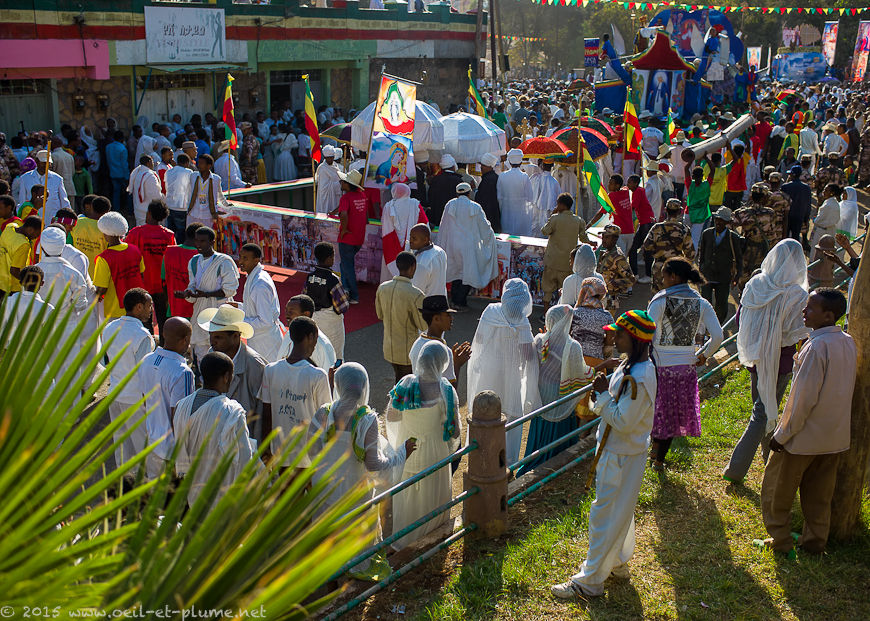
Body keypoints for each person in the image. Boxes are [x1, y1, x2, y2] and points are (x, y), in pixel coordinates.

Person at [550, 310, 657, 599]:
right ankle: (618, 561)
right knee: (620, 509)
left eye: (619, 334)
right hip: (620, 451)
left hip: (621, 453)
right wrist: (608, 382)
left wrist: (603, 396)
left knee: (603, 514)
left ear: (634, 339)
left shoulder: (641, 376)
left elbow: (623, 420)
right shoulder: (630, 366)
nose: (612, 337)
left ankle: (589, 580)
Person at [760, 288, 856, 555]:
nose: (804, 311)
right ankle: (814, 542)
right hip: (834, 437)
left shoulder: (816, 347)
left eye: (811, 308)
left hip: (803, 437)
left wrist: (782, 434)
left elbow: (802, 400)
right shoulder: (847, 341)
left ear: (828, 315)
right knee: (819, 495)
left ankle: (780, 540)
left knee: (777, 490)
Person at [724, 239, 810, 484]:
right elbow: (799, 332)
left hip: (756, 357)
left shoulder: (756, 284)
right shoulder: (797, 295)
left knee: (763, 409)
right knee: (762, 413)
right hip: (781, 361)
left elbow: (742, 319)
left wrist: (761, 340)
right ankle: (736, 469)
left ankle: (768, 459)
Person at [647, 258, 722, 470]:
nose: (662, 281)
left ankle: (654, 448)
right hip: (686, 366)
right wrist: (704, 355)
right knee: (673, 414)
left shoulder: (659, 301)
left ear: (674, 277)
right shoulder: (701, 303)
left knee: (657, 410)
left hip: (659, 366)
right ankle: (659, 458)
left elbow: (648, 333)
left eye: (664, 276)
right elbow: (717, 336)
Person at [386, 340, 461, 550]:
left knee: (408, 495)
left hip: (408, 450)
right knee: (433, 493)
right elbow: (454, 430)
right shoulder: (446, 389)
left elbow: (392, 416)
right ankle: (432, 539)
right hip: (435, 453)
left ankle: (405, 541)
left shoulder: (405, 384)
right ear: (442, 363)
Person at [467, 279, 540, 465]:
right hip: (511, 376)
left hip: (489, 372)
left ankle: (481, 455)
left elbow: (480, 340)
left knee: (485, 410)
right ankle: (506, 461)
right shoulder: (522, 322)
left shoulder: (491, 310)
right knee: (510, 413)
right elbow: (528, 357)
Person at [518, 304, 597, 476]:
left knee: (540, 430)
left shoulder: (540, 339)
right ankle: (557, 465)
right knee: (559, 434)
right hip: (560, 396)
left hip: (541, 396)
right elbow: (582, 374)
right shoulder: (573, 346)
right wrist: (601, 368)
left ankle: (533, 463)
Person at [173, 351, 257, 510]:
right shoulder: (232, 412)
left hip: (192, 491)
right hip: (221, 494)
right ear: (226, 377)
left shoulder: (181, 406)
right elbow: (245, 458)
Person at [259, 316, 332, 470]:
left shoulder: (270, 370)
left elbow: (266, 414)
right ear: (311, 337)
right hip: (310, 456)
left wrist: (266, 450)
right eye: (316, 339)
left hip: (279, 453)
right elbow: (325, 417)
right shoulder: (318, 376)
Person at [102, 288, 154, 470]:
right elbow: (145, 371)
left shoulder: (109, 328)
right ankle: (142, 486)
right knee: (142, 445)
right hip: (135, 398)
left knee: (121, 444)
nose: (151, 310)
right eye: (149, 306)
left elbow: (107, 359)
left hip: (114, 393)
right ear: (139, 307)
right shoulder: (142, 335)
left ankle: (125, 481)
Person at [198, 304, 267, 439]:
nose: (212, 342)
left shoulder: (255, 364)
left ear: (236, 336)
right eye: (211, 336)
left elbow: (261, 410)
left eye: (218, 337)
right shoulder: (212, 354)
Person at [137, 317, 195, 480]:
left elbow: (144, 400)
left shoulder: (146, 360)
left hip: (152, 441)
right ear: (185, 340)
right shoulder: (183, 372)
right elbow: (179, 417)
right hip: (172, 451)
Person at [178, 226, 240, 365]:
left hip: (220, 311)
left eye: (203, 241)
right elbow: (193, 286)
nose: (198, 245)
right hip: (201, 311)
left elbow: (230, 290)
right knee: (201, 352)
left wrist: (206, 295)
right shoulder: (194, 261)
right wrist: (187, 294)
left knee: (223, 350)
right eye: (197, 241)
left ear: (212, 242)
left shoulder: (224, 261)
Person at [437, 183, 499, 310]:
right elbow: (484, 227)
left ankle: (455, 300)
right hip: (469, 246)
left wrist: (441, 243)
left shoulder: (450, 205)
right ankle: (460, 301)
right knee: (468, 273)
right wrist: (491, 236)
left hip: (452, 244)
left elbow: (443, 225)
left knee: (456, 272)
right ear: (470, 193)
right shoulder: (475, 207)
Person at [375, 251, 428, 383]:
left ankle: (395, 401)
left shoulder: (382, 288)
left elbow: (379, 314)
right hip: (407, 350)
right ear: (413, 267)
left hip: (388, 346)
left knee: (399, 379)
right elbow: (423, 325)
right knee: (406, 383)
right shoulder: (416, 294)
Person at [125, 199, 175, 336]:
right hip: (162, 285)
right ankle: (165, 345)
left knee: (144, 320)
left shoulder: (135, 233)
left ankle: (148, 345)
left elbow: (126, 252)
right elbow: (171, 259)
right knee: (163, 319)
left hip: (142, 284)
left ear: (149, 213)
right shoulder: (169, 235)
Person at [408, 294, 470, 388]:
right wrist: (456, 364)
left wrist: (451, 361)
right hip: (436, 401)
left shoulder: (417, 343)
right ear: (436, 319)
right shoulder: (444, 351)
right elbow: (450, 390)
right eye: (447, 315)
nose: (451, 318)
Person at [93, 212, 146, 320]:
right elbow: (141, 275)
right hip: (137, 306)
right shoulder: (135, 250)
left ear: (105, 234)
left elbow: (102, 289)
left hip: (115, 310)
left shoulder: (104, 258)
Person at [540, 193, 589, 308]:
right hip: (568, 264)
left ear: (561, 205)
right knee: (564, 292)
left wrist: (552, 214)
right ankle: (562, 317)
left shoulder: (555, 219)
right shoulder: (578, 220)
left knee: (547, 291)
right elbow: (584, 238)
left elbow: (544, 231)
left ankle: (546, 316)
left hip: (552, 262)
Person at [303, 242, 349, 361]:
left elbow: (304, 297)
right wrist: (346, 297)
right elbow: (341, 307)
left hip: (313, 318)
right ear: (329, 258)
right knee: (335, 354)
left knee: (316, 352)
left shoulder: (309, 277)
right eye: (333, 257)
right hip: (330, 321)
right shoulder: (333, 279)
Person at [236, 243, 282, 362]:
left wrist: (238, 321)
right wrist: (237, 307)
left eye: (245, 258)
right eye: (240, 256)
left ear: (256, 260)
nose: (240, 261)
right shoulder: (254, 276)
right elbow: (254, 309)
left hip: (265, 342)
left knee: (267, 376)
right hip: (260, 338)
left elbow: (265, 321)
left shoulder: (259, 284)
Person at [698, 207, 743, 322]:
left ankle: (718, 324)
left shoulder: (733, 237)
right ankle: (706, 326)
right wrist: (699, 272)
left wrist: (737, 277)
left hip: (723, 276)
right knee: (705, 302)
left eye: (722, 220)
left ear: (727, 222)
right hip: (707, 274)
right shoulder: (707, 234)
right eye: (717, 219)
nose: (718, 222)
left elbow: (738, 259)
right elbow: (701, 254)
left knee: (721, 305)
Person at [642, 199, 695, 293]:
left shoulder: (656, 228)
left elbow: (646, 246)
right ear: (679, 212)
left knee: (658, 300)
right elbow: (690, 254)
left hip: (659, 269)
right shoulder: (684, 229)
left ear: (666, 210)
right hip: (677, 271)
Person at [332, 169, 368, 304]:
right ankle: (346, 290)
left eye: (343, 181)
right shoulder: (362, 195)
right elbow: (365, 216)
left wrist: (344, 229)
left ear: (348, 184)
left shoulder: (345, 197)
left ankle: (354, 295)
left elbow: (344, 214)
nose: (341, 182)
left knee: (347, 266)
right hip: (359, 237)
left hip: (347, 238)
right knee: (345, 264)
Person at [277, 294, 337, 370]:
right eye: (286, 310)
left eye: (291, 311)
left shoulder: (320, 344)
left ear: (306, 314)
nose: (287, 314)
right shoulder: (290, 333)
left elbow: (326, 376)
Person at [381, 182, 427, 278]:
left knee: (390, 273)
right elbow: (424, 223)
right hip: (411, 243)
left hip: (392, 243)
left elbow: (385, 227)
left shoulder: (388, 206)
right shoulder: (415, 204)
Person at [1, 266, 54, 343]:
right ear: (42, 283)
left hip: (9, 351)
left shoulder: (8, 302)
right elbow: (49, 337)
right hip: (34, 352)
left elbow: (2, 327)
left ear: (21, 282)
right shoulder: (48, 309)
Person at [17, 150, 70, 223]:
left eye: (48, 163)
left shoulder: (57, 179)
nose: (46, 166)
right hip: (32, 222)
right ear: (37, 161)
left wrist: (66, 219)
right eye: (43, 163)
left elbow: (64, 202)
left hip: (52, 221)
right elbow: (22, 201)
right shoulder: (25, 178)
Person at [162, 223, 200, 321]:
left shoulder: (169, 251)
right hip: (194, 310)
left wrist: (168, 302)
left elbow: (164, 280)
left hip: (174, 307)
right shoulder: (200, 257)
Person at [569, 277, 614, 359]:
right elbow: (609, 343)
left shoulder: (573, 313)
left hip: (574, 357)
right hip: (596, 361)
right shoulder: (607, 316)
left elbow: (567, 335)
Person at [596, 225, 636, 314]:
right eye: (603, 237)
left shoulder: (618, 257)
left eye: (606, 237)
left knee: (607, 325)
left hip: (610, 299)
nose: (603, 239)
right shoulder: (606, 253)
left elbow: (630, 280)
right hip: (601, 296)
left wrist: (613, 284)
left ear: (615, 239)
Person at [497, 149, 535, 237]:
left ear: (509, 162)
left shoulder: (502, 176)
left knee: (507, 238)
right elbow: (530, 198)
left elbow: (499, 197)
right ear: (521, 162)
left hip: (506, 213)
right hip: (521, 215)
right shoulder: (524, 177)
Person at [0, 215, 40, 297]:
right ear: (30, 230)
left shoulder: (10, 227)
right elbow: (14, 271)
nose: (36, 237)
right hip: (11, 287)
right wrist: (29, 283)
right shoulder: (23, 244)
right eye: (37, 233)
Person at [626, 174, 655, 284]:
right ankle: (637, 273)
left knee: (642, 249)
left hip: (646, 223)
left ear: (635, 183)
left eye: (629, 182)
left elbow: (632, 207)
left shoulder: (638, 192)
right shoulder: (639, 191)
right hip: (645, 222)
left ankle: (647, 275)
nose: (628, 184)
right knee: (636, 248)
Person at [71, 196, 110, 279]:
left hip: (77, 271)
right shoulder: (106, 229)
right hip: (98, 274)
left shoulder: (76, 222)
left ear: (91, 207)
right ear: (107, 212)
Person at [187, 154, 229, 229]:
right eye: (198, 163)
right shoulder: (193, 176)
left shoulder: (216, 179)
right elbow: (187, 191)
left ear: (209, 166)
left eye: (201, 163)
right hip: (193, 212)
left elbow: (219, 194)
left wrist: (226, 204)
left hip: (207, 214)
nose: (199, 165)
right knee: (191, 235)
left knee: (205, 237)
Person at [408, 223, 448, 299]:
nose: (410, 241)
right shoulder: (440, 251)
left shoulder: (421, 262)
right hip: (441, 303)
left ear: (426, 240)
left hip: (426, 306)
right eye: (410, 237)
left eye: (414, 238)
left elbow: (416, 290)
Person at [163, 153, 195, 241]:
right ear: (187, 163)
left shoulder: (169, 171)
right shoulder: (188, 172)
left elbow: (166, 186)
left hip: (169, 204)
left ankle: (170, 247)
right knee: (181, 231)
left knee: (170, 231)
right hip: (181, 206)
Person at [127, 155, 163, 227]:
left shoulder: (137, 173)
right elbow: (156, 195)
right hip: (147, 211)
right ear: (149, 162)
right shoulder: (150, 176)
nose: (153, 164)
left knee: (139, 230)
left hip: (138, 208)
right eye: (152, 162)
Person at [427, 154, 463, 226]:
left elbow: (430, 198)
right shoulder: (458, 180)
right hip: (454, 218)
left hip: (438, 218)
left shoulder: (435, 180)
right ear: (453, 166)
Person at [781, 165, 812, 241]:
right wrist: (806, 218)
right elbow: (808, 205)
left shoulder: (785, 186)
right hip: (799, 216)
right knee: (796, 238)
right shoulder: (806, 188)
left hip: (786, 216)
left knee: (784, 238)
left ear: (792, 175)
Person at [810, 183, 842, 249]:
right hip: (830, 230)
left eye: (826, 191)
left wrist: (815, 220)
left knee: (816, 251)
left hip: (822, 231)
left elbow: (819, 220)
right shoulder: (833, 203)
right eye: (824, 190)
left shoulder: (828, 205)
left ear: (832, 193)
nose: (823, 192)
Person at [686, 166, 711, 250]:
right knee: (695, 240)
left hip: (688, 214)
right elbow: (713, 170)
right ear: (702, 176)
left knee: (685, 237)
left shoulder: (690, 184)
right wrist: (706, 157)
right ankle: (692, 259)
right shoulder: (706, 185)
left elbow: (686, 169)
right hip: (700, 216)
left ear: (692, 176)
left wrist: (690, 161)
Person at [475, 153, 501, 233]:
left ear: (489, 166)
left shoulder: (489, 180)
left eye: (483, 165)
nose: (481, 168)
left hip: (489, 217)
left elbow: (485, 200)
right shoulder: (491, 177)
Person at [106, 130, 130, 213]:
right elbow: (124, 164)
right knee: (127, 192)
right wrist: (127, 176)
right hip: (122, 174)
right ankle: (128, 210)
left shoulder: (108, 147)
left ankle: (116, 209)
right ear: (122, 139)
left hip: (112, 173)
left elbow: (108, 160)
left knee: (116, 192)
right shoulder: (122, 148)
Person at [314, 145, 342, 215]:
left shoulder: (335, 166)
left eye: (332, 158)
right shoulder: (322, 168)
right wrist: (338, 184)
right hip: (325, 197)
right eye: (328, 158)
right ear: (325, 158)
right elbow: (323, 188)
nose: (330, 160)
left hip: (335, 196)